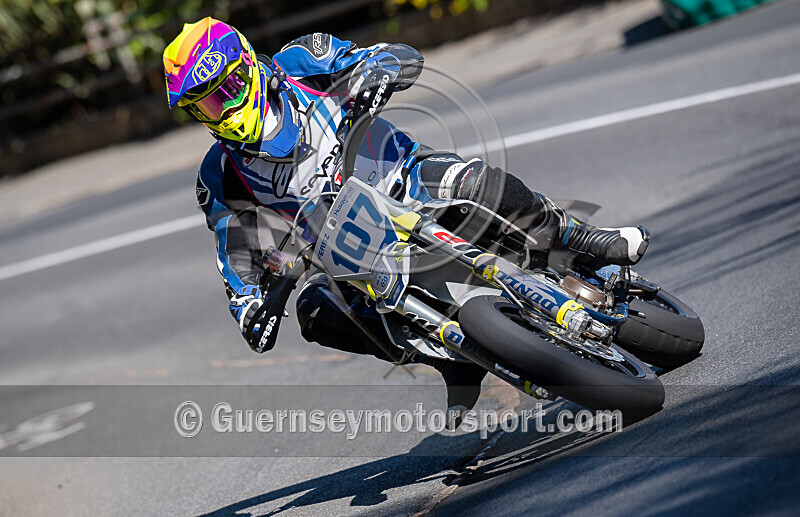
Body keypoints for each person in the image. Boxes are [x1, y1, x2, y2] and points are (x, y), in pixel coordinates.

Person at [163, 18, 650, 422]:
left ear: (246, 65)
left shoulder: (299, 63)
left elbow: (395, 54)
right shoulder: (219, 175)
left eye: (224, 88)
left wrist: (377, 74)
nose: (221, 108)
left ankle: (577, 236)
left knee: (475, 183)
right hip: (347, 247)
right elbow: (237, 256)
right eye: (204, 103)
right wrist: (251, 308)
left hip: (406, 178)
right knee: (316, 310)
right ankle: (449, 360)